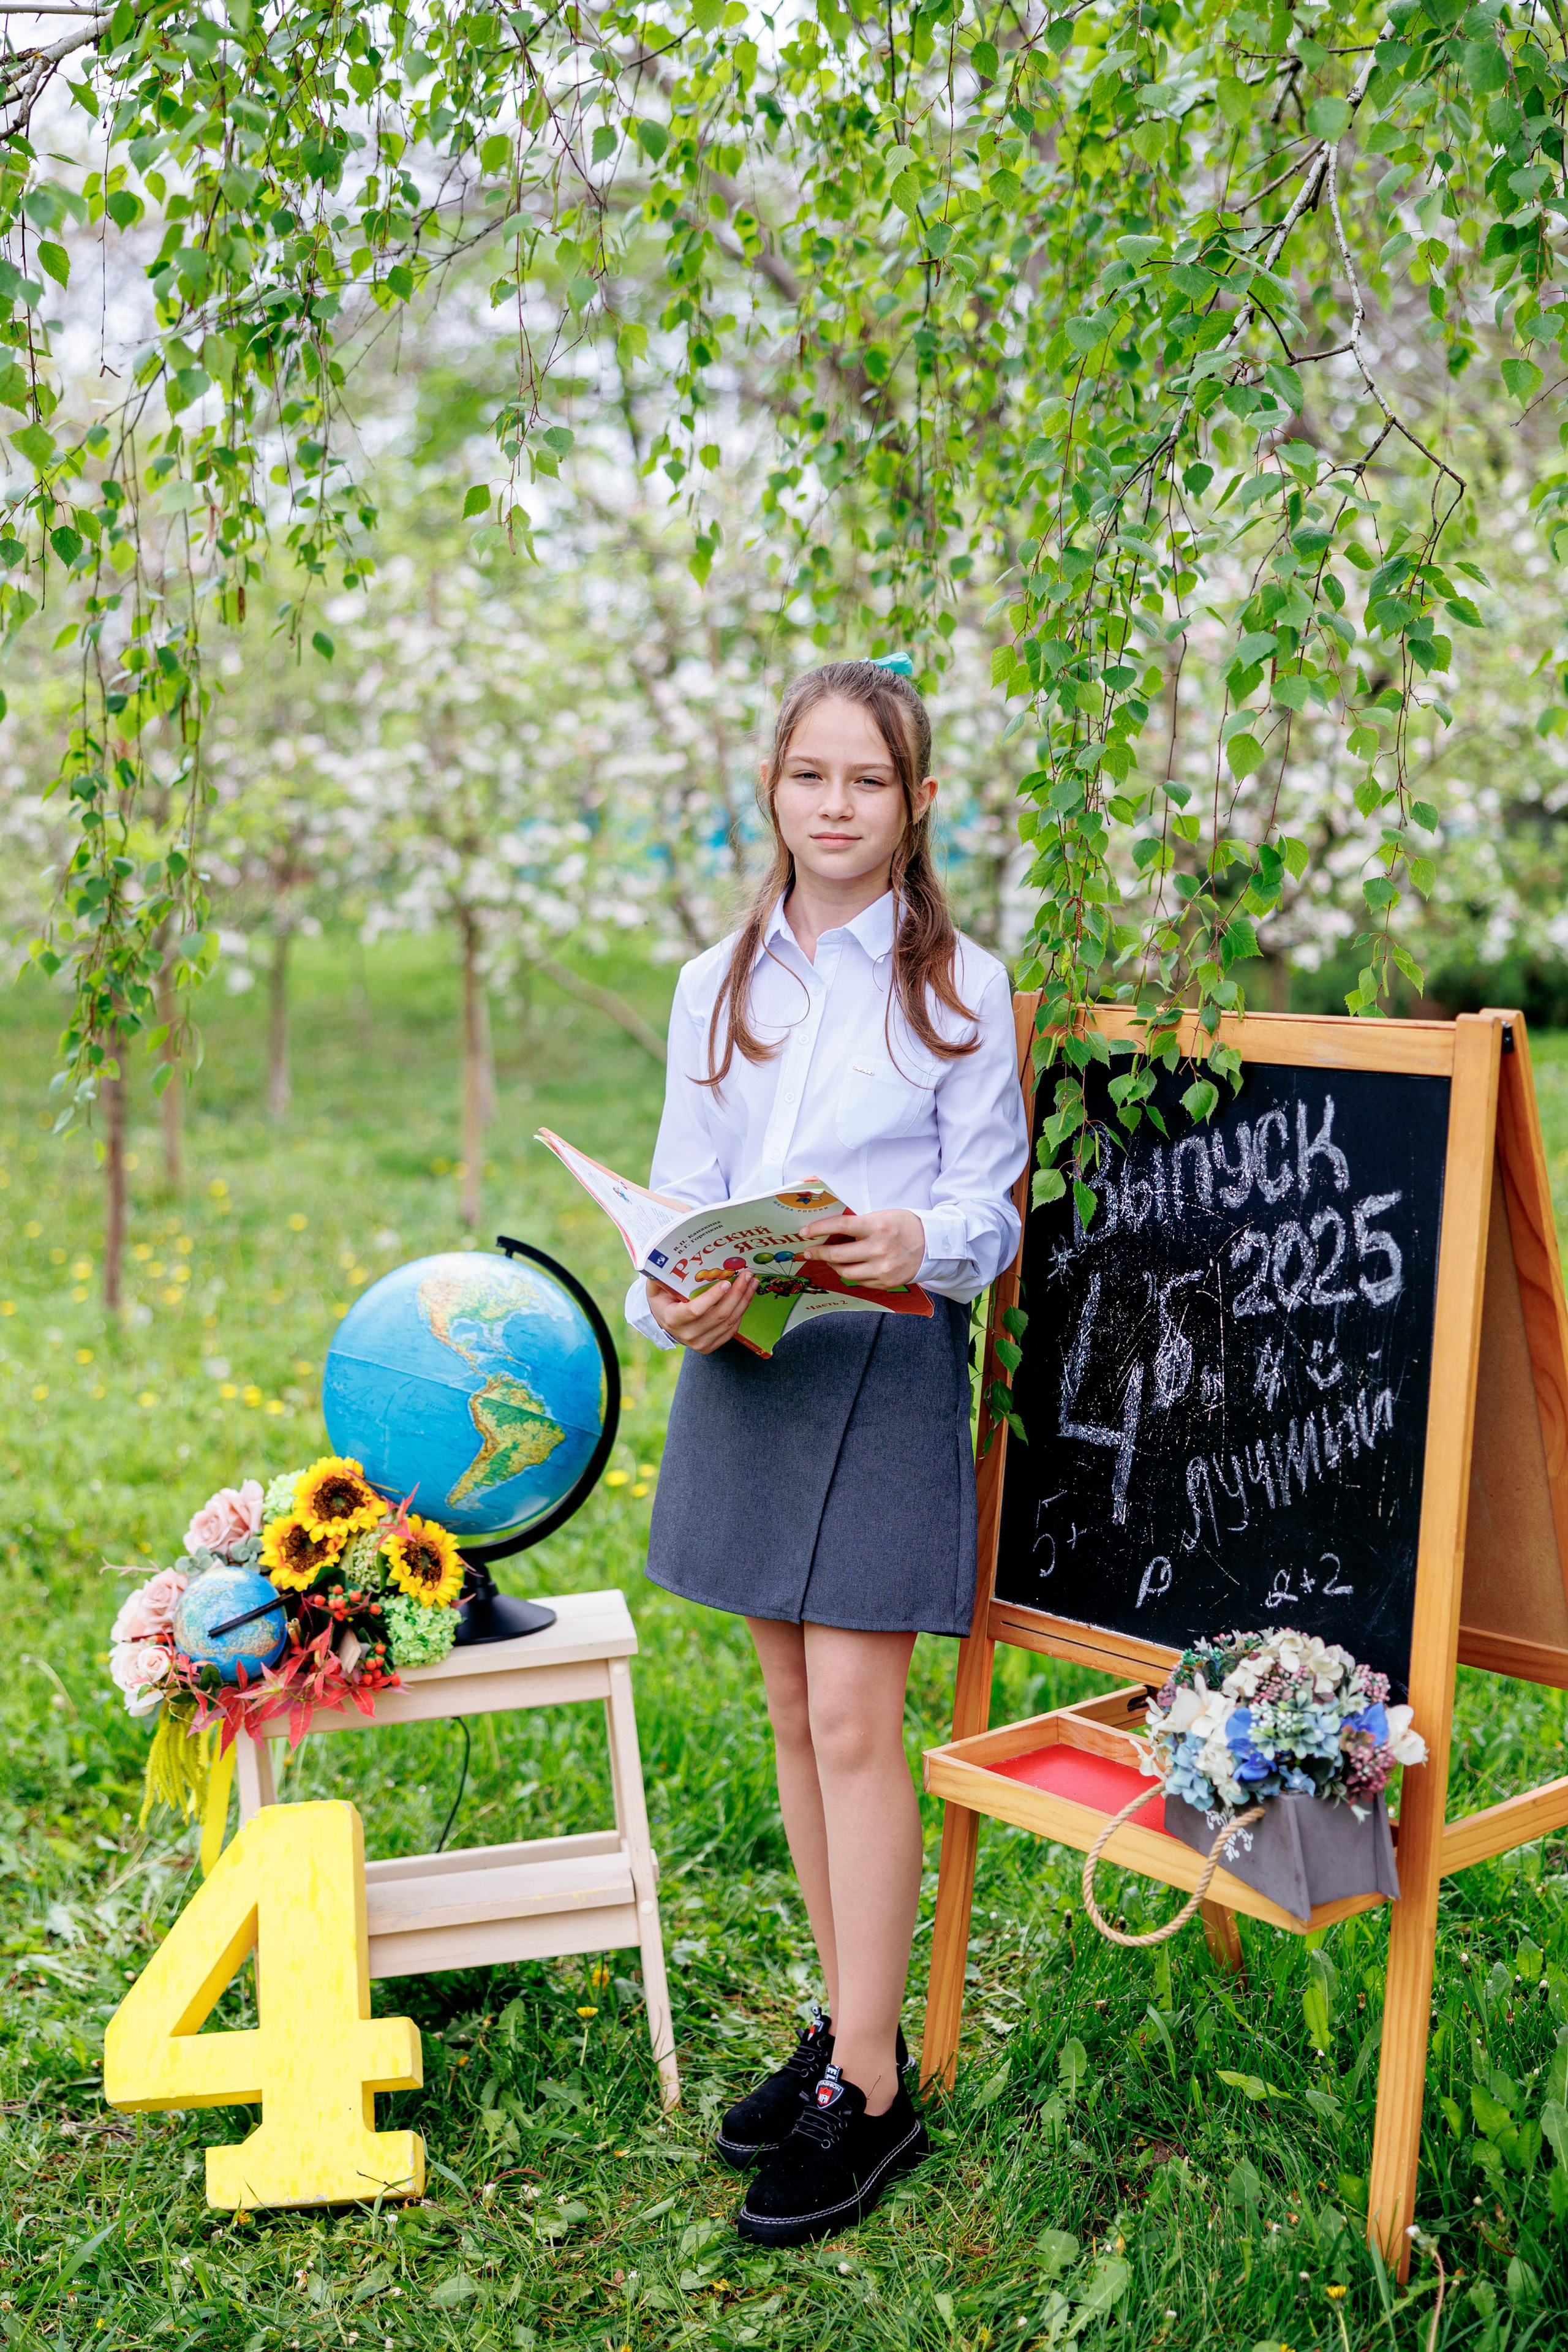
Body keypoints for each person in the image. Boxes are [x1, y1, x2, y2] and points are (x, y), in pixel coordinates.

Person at [625, 658, 1028, 2247]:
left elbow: (993, 1210)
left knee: (861, 1715)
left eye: (870, 781)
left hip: (886, 1351)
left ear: (918, 802)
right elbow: (677, 1197)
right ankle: (843, 2019)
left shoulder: (960, 987)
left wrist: (907, 1237)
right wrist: (690, 1296)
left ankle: (871, 2083)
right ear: (773, 790)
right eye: (811, 778)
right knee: (793, 1708)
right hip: (755, 1364)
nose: (838, 807)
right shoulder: (712, 984)